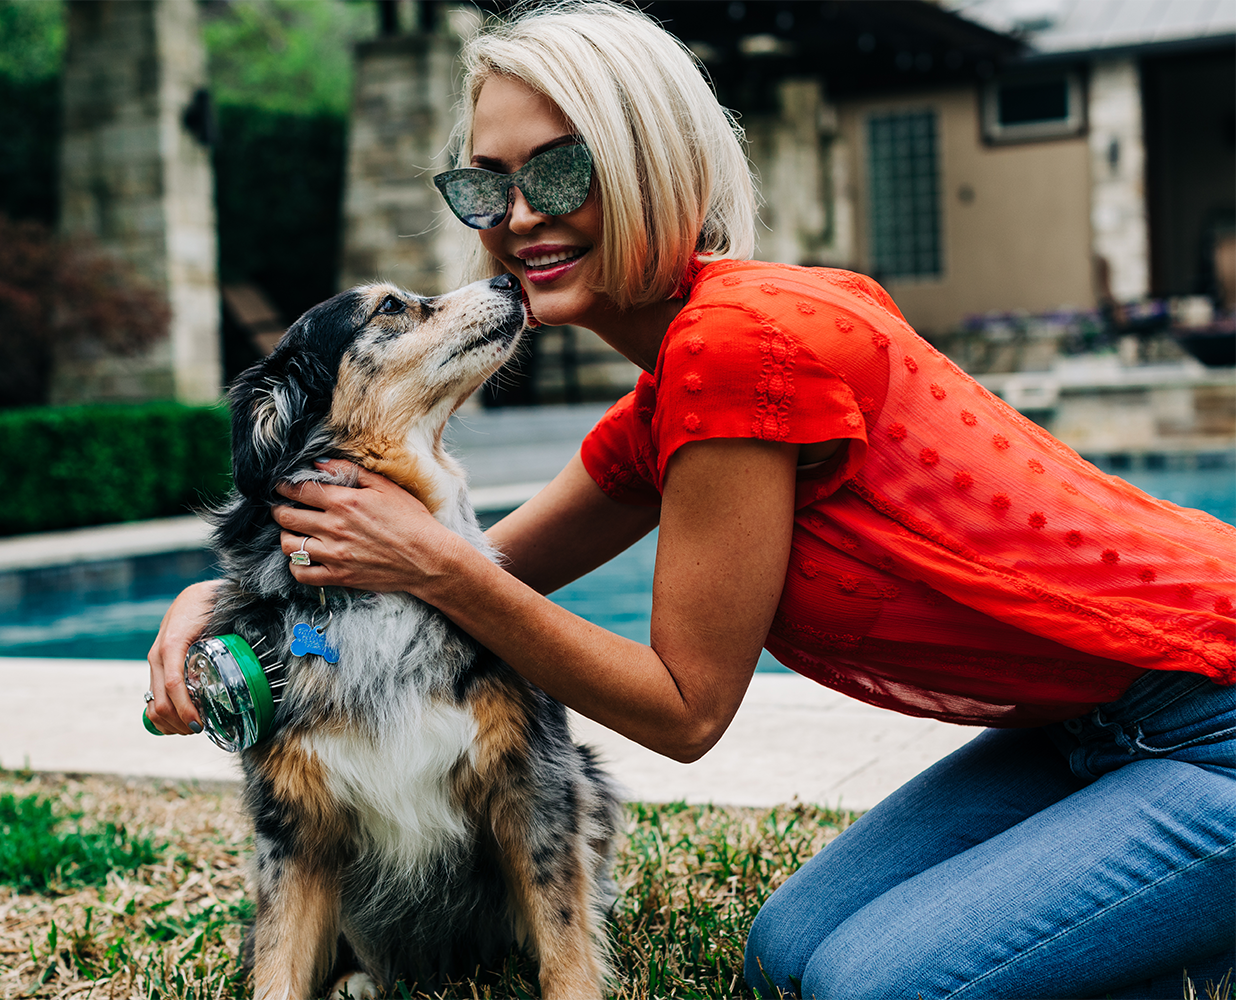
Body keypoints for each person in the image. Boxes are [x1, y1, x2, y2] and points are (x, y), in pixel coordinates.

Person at [144, 3, 1236, 997]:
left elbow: (683, 709)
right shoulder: (677, 384)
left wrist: (435, 562)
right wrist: (239, 599)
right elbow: (503, 565)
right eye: (487, 184)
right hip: (1085, 731)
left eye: (562, 173)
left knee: (872, 988)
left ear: (649, 164)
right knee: (789, 954)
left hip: (1211, 719)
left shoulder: (736, 345)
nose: (520, 217)